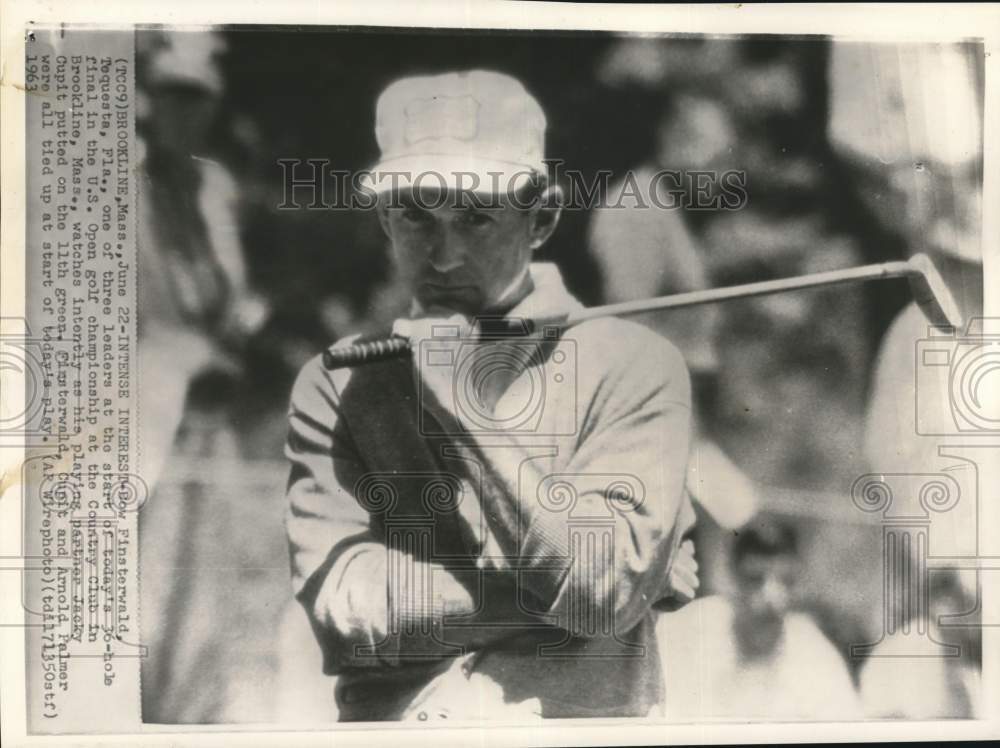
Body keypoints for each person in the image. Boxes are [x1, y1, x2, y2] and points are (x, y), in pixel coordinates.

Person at [284, 70, 698, 721]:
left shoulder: (636, 367)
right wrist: (619, 589)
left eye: (476, 218)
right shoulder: (338, 383)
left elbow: (597, 594)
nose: (444, 256)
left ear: (542, 218)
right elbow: (349, 619)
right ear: (385, 219)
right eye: (415, 216)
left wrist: (458, 403)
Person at [656, 518, 861, 721]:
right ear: (731, 577)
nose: (772, 596)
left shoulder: (814, 652)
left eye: (785, 581)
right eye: (755, 579)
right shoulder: (687, 629)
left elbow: (846, 724)